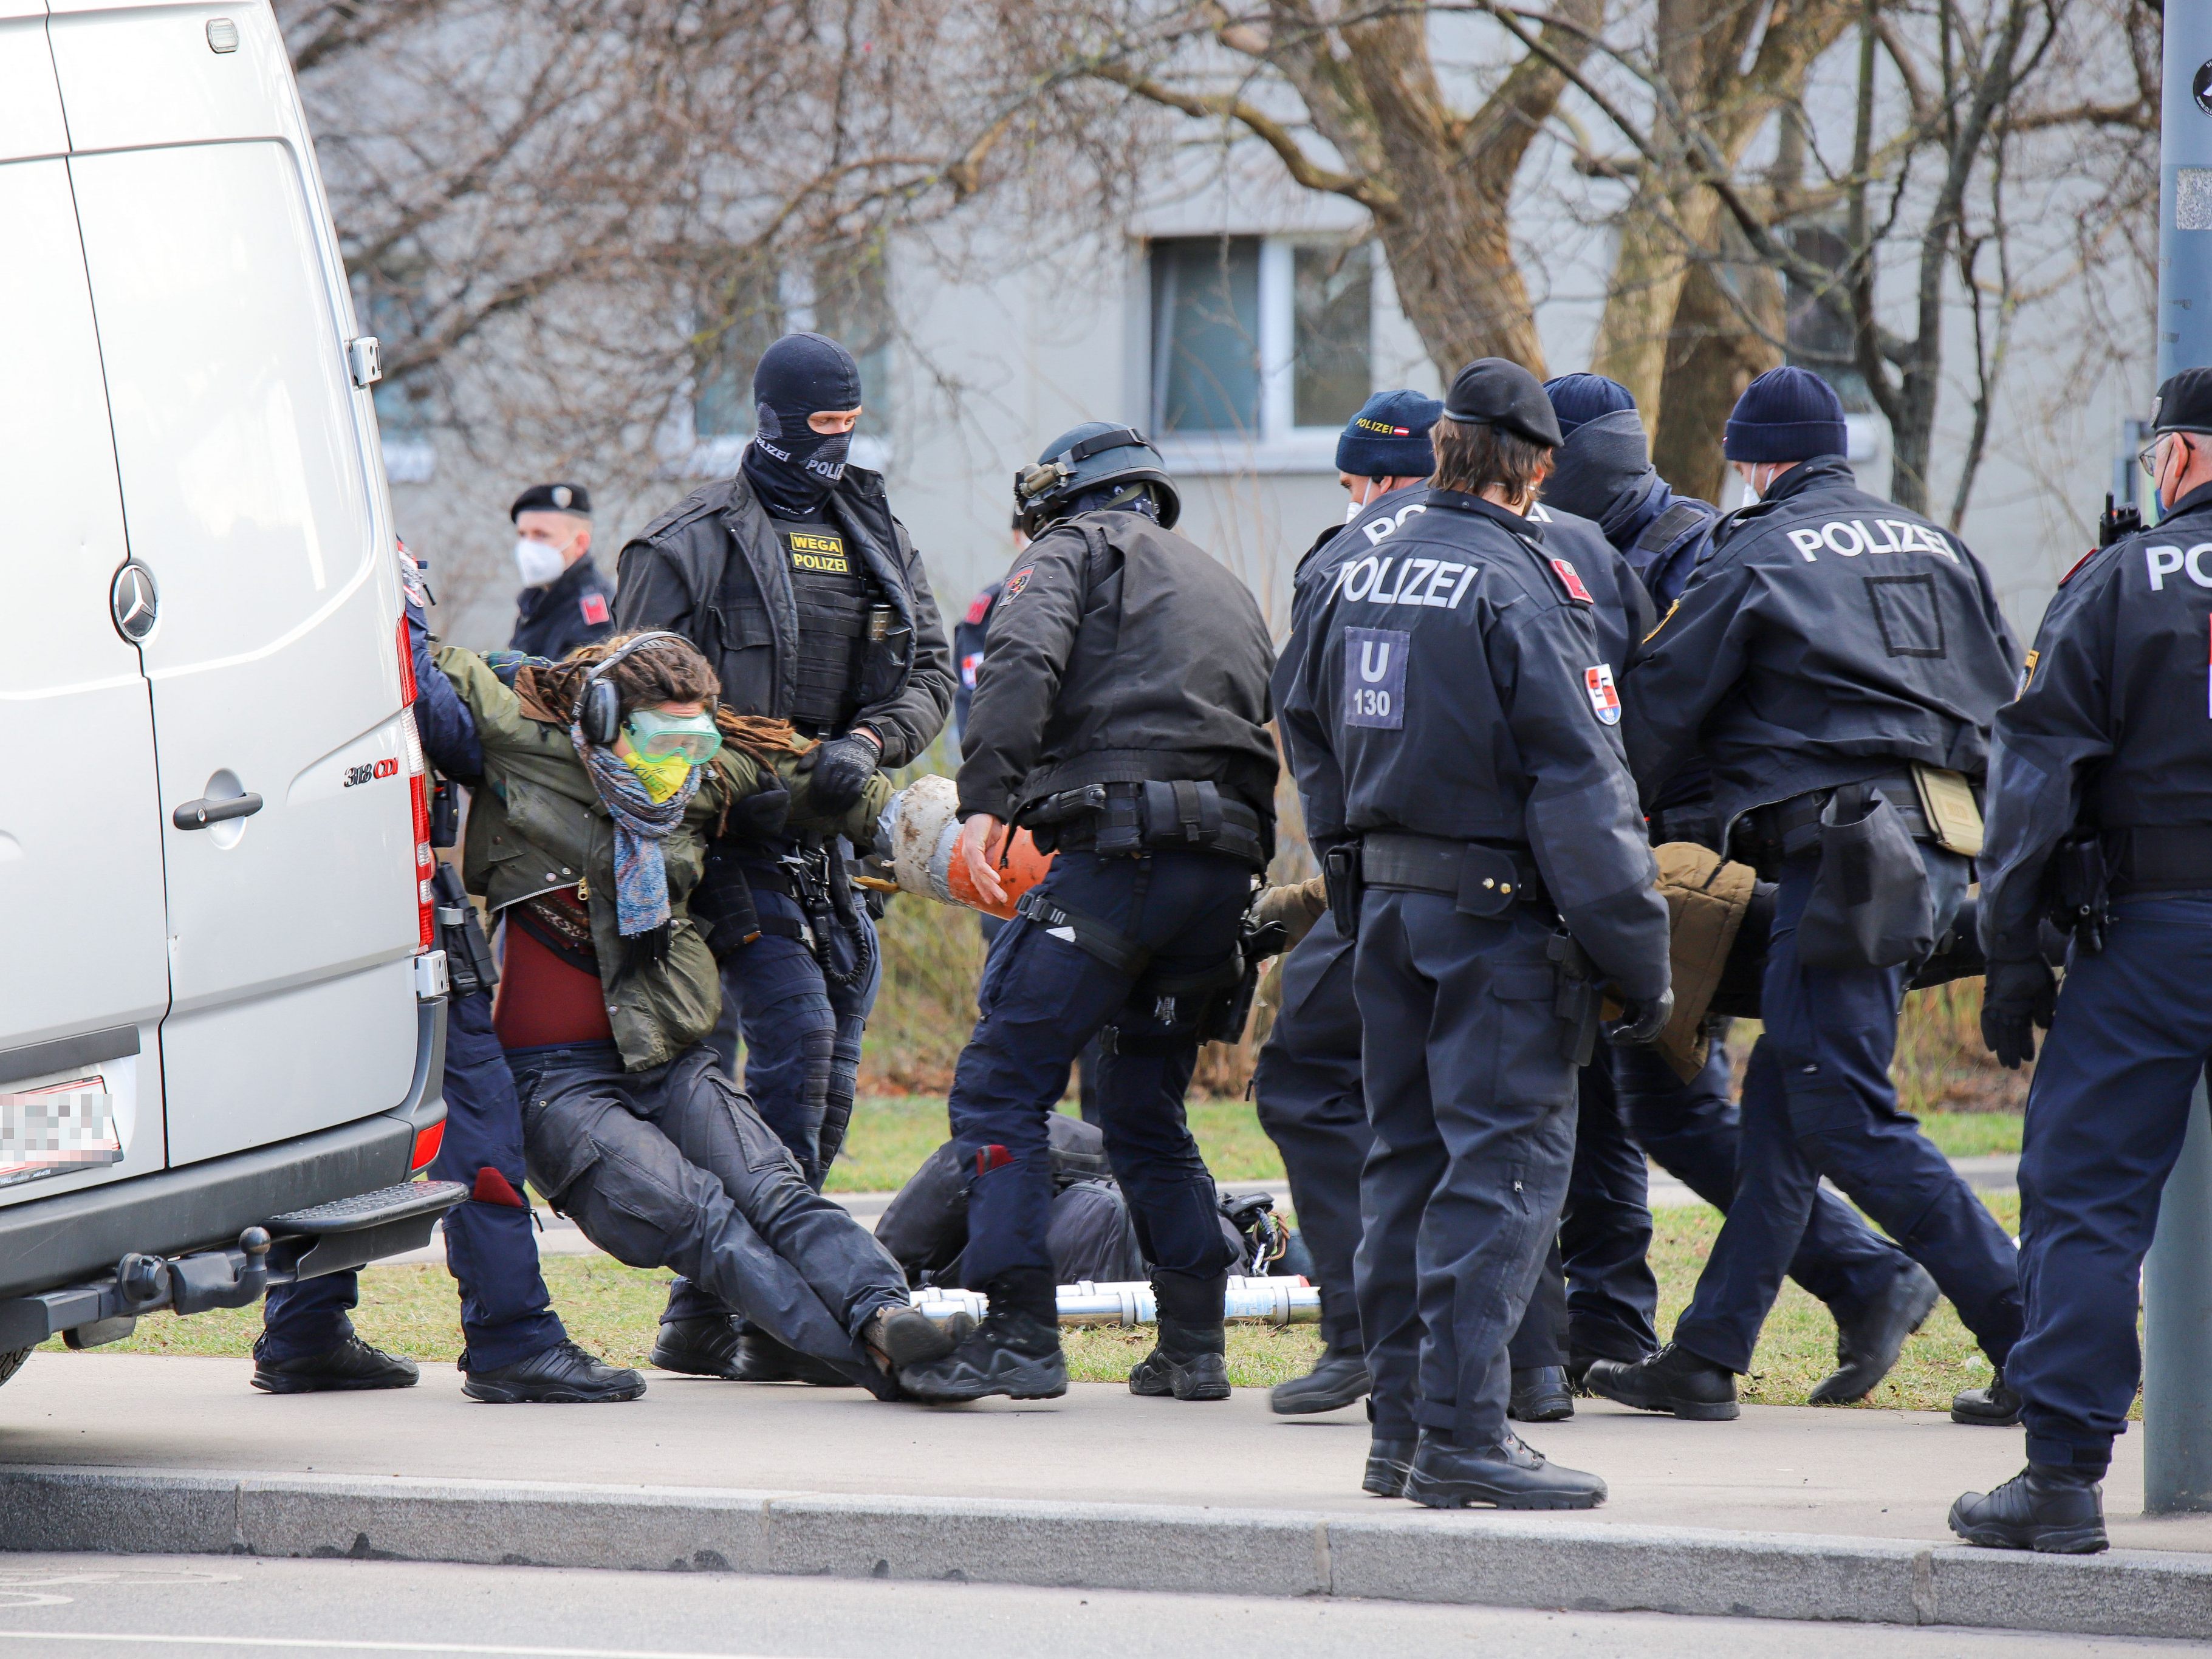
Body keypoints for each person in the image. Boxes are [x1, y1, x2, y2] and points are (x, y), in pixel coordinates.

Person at [1587, 366, 2023, 1422]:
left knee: (1841, 1112)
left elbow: (1659, 705)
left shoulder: (1757, 550)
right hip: (1946, 847)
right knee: (1787, 1104)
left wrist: (1614, 827)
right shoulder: (1935, 544)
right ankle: (1707, 1356)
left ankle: (2037, 1334)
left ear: (1753, 464)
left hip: (1844, 860)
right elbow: (2011, 696)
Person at [1279, 358, 1672, 1510]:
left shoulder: (1352, 558)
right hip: (1500, 926)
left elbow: (1305, 729)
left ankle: (1400, 1434)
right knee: (1498, 1172)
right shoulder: (1525, 580)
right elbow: (1581, 786)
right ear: (1538, 468)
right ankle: (1462, 1436)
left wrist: (1353, 881)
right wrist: (1638, 955)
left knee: (1402, 1164)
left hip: (1386, 909)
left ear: (1442, 445)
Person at [433, 628, 954, 1395]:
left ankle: (884, 1313)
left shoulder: (704, 772)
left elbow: (838, 789)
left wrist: (947, 843)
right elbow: (432, 665)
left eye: (695, 737)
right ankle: (883, 1361)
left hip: (665, 1054)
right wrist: (421, 601)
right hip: (553, 1080)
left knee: (775, 1190)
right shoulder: (520, 738)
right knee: (699, 1216)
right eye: (661, 737)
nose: (679, 761)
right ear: (605, 713)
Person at [893, 423, 1278, 1406]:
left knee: (997, 1088)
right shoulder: (1219, 581)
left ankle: (1018, 1336)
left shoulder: (1068, 551)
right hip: (1221, 874)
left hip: (1119, 860)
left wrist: (985, 795)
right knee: (1145, 1106)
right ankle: (1195, 1344)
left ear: (1062, 500)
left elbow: (1018, 663)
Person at [613, 331, 954, 1383]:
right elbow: (621, 704)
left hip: (839, 853)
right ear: (771, 418)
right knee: (794, 1049)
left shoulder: (875, 527)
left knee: (832, 1078)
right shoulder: (687, 544)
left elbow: (933, 668)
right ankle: (780, 1307)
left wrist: (869, 745)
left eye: (851, 425)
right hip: (728, 851)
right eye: (820, 426)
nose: (836, 445)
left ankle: (707, 1316)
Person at [253, 542, 639, 1403]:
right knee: (477, 1111)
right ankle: (514, 1337)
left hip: (301, 897)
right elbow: (449, 728)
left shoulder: (264, 581)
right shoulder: (369, 559)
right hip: (392, 893)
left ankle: (303, 1328)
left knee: (335, 1111)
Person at [1948, 369, 2212, 1555]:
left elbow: (2033, 781)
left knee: (2087, 1203)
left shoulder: (2116, 583)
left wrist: (2011, 949)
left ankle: (2058, 1478)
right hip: (2150, 928)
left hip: (2148, 935)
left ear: (2177, 459)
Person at [508, 483, 615, 660]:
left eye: (541, 535)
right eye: (523, 535)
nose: (528, 546)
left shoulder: (592, 611)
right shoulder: (537, 597)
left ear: (580, 543)